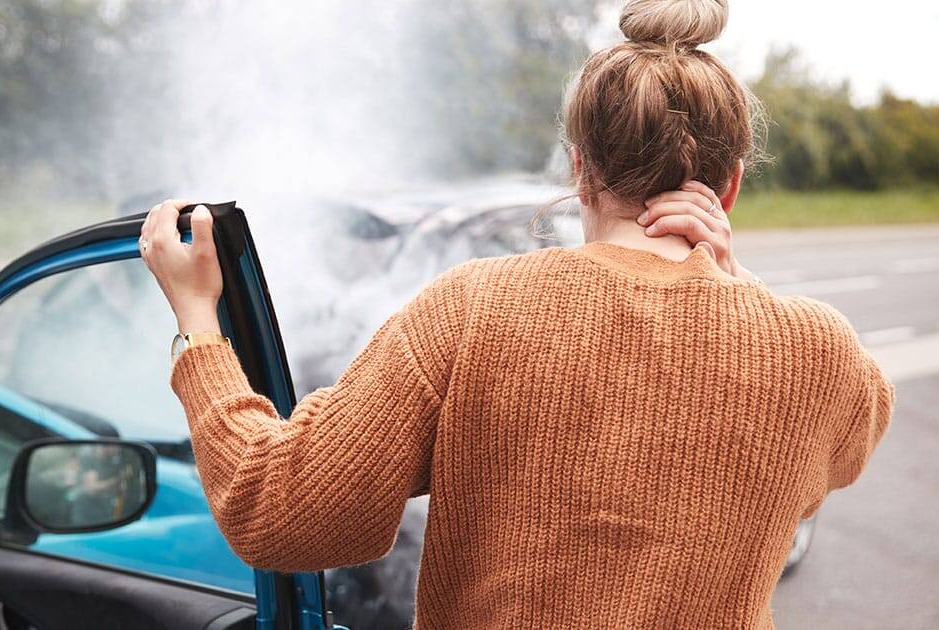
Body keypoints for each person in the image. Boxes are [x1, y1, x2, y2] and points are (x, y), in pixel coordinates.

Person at [140, 0, 894, 626]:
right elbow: (855, 437)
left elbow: (279, 512)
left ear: (580, 165)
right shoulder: (817, 350)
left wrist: (198, 323)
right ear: (729, 187)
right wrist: (734, 280)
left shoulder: (472, 310)